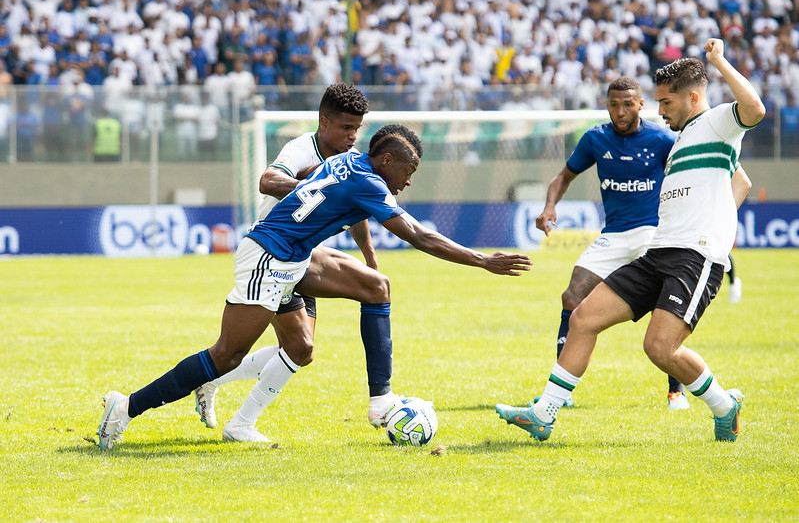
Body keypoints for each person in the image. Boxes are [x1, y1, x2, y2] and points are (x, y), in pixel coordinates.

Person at [97, 124, 532, 450]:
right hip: (268, 256)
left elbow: (313, 176)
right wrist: (482, 259)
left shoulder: (349, 163)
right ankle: (127, 407)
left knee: (365, 296)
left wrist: (320, 197)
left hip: (292, 257)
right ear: (386, 161)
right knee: (225, 354)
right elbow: (419, 236)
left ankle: (379, 401)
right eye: (409, 168)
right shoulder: (368, 179)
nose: (410, 178)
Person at [496, 38, 764, 443]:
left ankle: (725, 406)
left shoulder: (718, 124)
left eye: (666, 103)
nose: (659, 111)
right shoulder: (682, 138)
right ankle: (543, 414)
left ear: (693, 97)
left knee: (659, 347)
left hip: (694, 258)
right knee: (583, 316)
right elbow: (739, 180)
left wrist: (721, 61)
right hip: (657, 253)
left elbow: (755, 110)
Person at [193, 85, 407, 434]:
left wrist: (369, 254)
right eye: (346, 128)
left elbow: (355, 209)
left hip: (301, 253)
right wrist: (312, 188)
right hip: (273, 250)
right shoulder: (299, 148)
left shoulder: (347, 161)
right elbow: (267, 180)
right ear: (324, 123)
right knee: (296, 347)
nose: (354, 136)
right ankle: (238, 417)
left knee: (300, 350)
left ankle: (218, 388)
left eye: (358, 128)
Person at [533, 77, 690, 410]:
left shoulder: (662, 140)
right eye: (614, 105)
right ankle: (563, 393)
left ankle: (676, 389)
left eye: (627, 104)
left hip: (653, 233)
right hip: (614, 235)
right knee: (572, 297)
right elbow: (564, 176)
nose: (620, 112)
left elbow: (686, 181)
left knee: (666, 307)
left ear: (641, 104)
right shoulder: (595, 139)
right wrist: (550, 205)